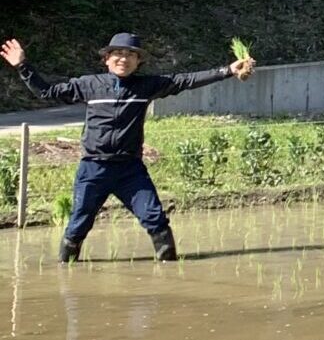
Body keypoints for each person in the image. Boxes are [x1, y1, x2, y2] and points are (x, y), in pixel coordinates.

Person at [1, 31, 254, 261]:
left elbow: (185, 80)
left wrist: (227, 70)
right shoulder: (90, 85)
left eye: (130, 55)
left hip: (130, 171)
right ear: (107, 59)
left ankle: (168, 268)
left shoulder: (147, 86)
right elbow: (49, 92)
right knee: (77, 226)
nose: (124, 59)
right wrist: (23, 66)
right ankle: (65, 273)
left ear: (138, 61)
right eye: (118, 54)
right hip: (93, 169)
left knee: (156, 220)